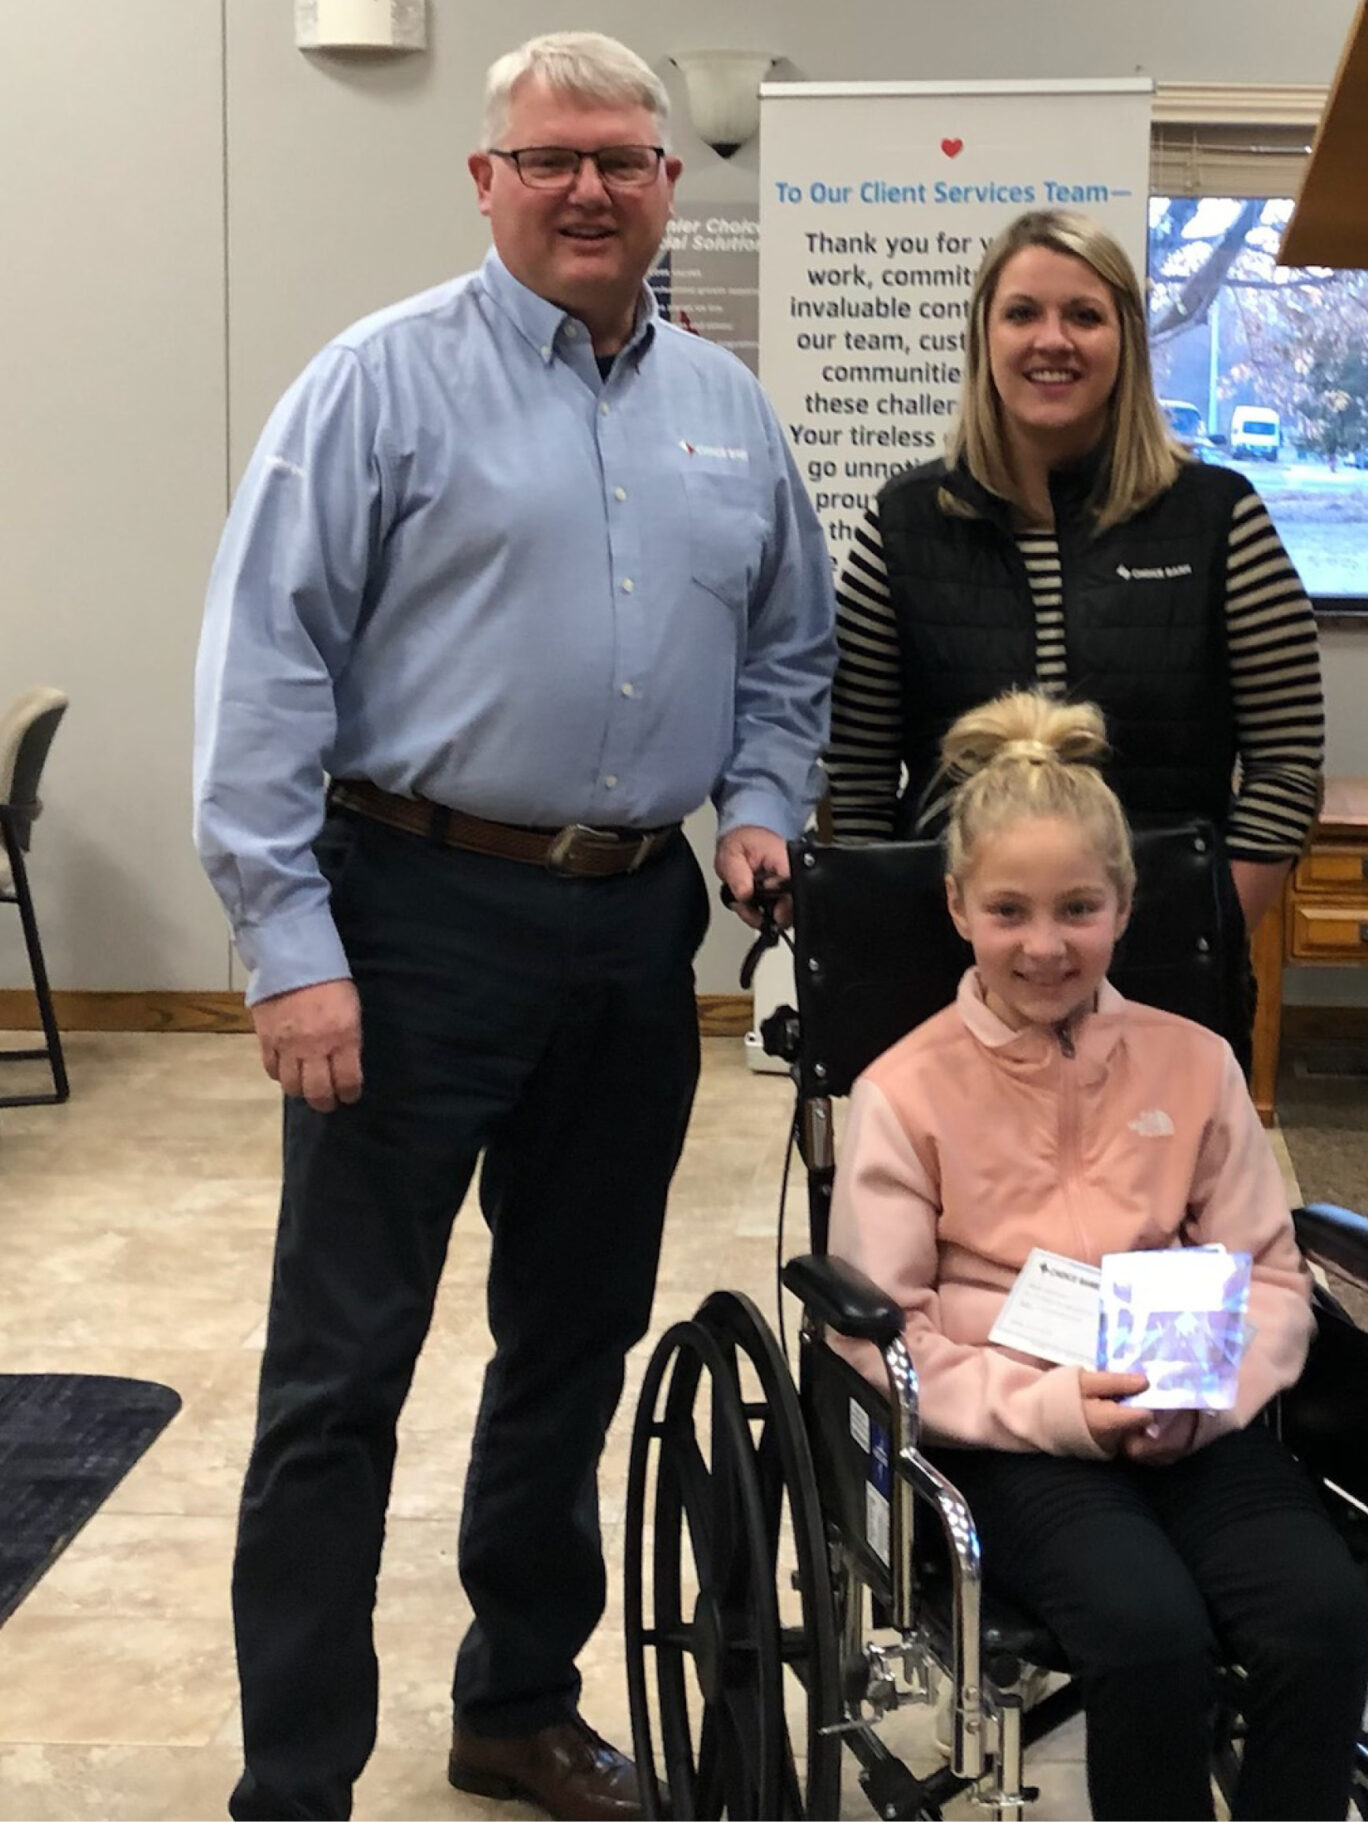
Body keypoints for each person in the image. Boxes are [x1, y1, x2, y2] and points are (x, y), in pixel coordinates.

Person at [192, 31, 833, 1821]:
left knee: (575, 1337)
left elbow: (790, 647)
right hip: (405, 915)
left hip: (631, 932)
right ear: (485, 180)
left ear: (667, 185)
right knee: (342, 1369)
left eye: (621, 158)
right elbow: (262, 677)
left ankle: (516, 1702)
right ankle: (294, 1778)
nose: (588, 189)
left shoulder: (728, 410)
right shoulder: (373, 387)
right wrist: (290, 946)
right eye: (549, 159)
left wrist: (761, 805)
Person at [836, 690, 1368, 1820]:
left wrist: (1213, 1394)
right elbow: (885, 1335)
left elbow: (1270, 1274)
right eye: (1010, 910)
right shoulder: (903, 1088)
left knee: (1321, 1617)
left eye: (1078, 907)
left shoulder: (1194, 1063)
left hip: (1191, 1409)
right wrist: (1065, 1413)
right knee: (1148, 1638)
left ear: (1125, 906)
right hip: (1013, 1430)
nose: (1045, 944)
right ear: (957, 907)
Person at [821, 208, 1326, 1049]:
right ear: (984, 337)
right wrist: (908, 933)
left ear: (1124, 339)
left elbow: (1286, 765)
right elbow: (860, 773)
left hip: (1168, 972)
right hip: (956, 978)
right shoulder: (902, 524)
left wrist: (1200, 928)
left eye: (1083, 315)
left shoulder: (1220, 518)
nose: (1051, 340)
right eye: (1022, 313)